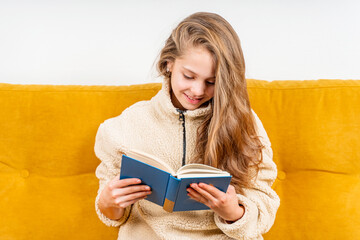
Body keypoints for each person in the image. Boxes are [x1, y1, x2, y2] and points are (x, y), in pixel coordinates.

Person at [94, 12, 280, 240]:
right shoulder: (128, 125)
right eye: (189, 76)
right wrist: (108, 202)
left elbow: (264, 202)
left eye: (212, 82)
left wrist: (233, 212)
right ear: (169, 63)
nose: (198, 91)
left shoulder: (243, 122)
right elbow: (113, 213)